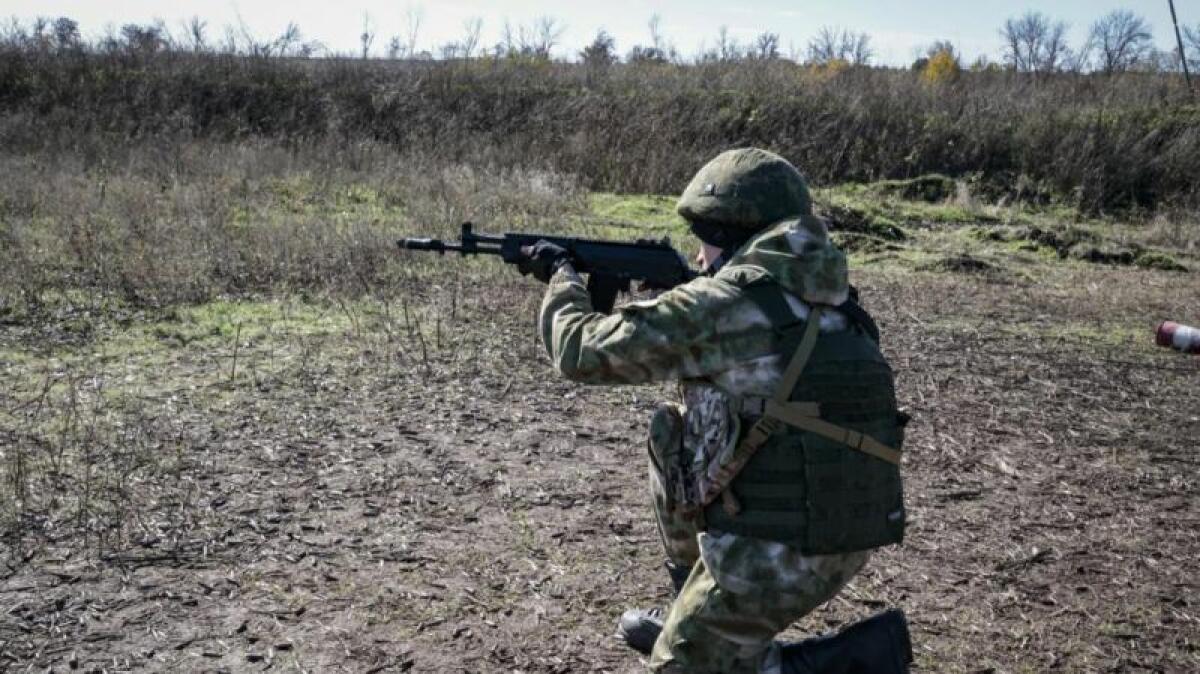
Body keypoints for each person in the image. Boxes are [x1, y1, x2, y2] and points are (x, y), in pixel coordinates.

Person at [518, 148, 909, 674]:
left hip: (779, 547)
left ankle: (842, 661)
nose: (698, 256)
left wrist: (562, 279)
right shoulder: (831, 296)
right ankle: (706, 622)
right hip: (844, 527)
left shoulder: (727, 303)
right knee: (676, 429)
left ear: (726, 234)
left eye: (703, 236)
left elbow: (581, 352)